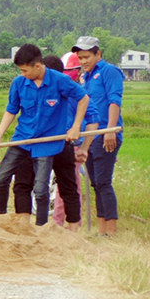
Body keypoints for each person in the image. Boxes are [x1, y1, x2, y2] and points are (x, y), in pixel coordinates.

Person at [0, 44, 89, 226]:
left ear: (37, 66)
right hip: (22, 139)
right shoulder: (19, 83)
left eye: (25, 70)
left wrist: (75, 127)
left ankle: (40, 229)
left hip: (47, 143)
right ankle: (0, 221)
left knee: (41, 189)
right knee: (1, 179)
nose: (22, 74)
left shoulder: (59, 81)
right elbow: (11, 110)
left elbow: (83, 98)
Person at [73, 36, 125, 236]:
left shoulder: (109, 71)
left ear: (98, 54)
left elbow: (114, 100)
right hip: (90, 136)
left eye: (86, 57)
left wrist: (110, 130)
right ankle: (102, 228)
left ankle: (111, 231)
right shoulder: (85, 76)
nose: (83, 61)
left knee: (103, 181)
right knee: (95, 182)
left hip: (105, 134)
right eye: (80, 58)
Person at [43, 55, 100, 230]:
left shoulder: (76, 92)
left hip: (71, 147)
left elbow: (94, 119)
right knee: (40, 183)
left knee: (67, 186)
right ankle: (46, 224)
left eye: (71, 72)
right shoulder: (42, 91)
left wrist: (84, 147)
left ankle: (63, 225)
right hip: (46, 145)